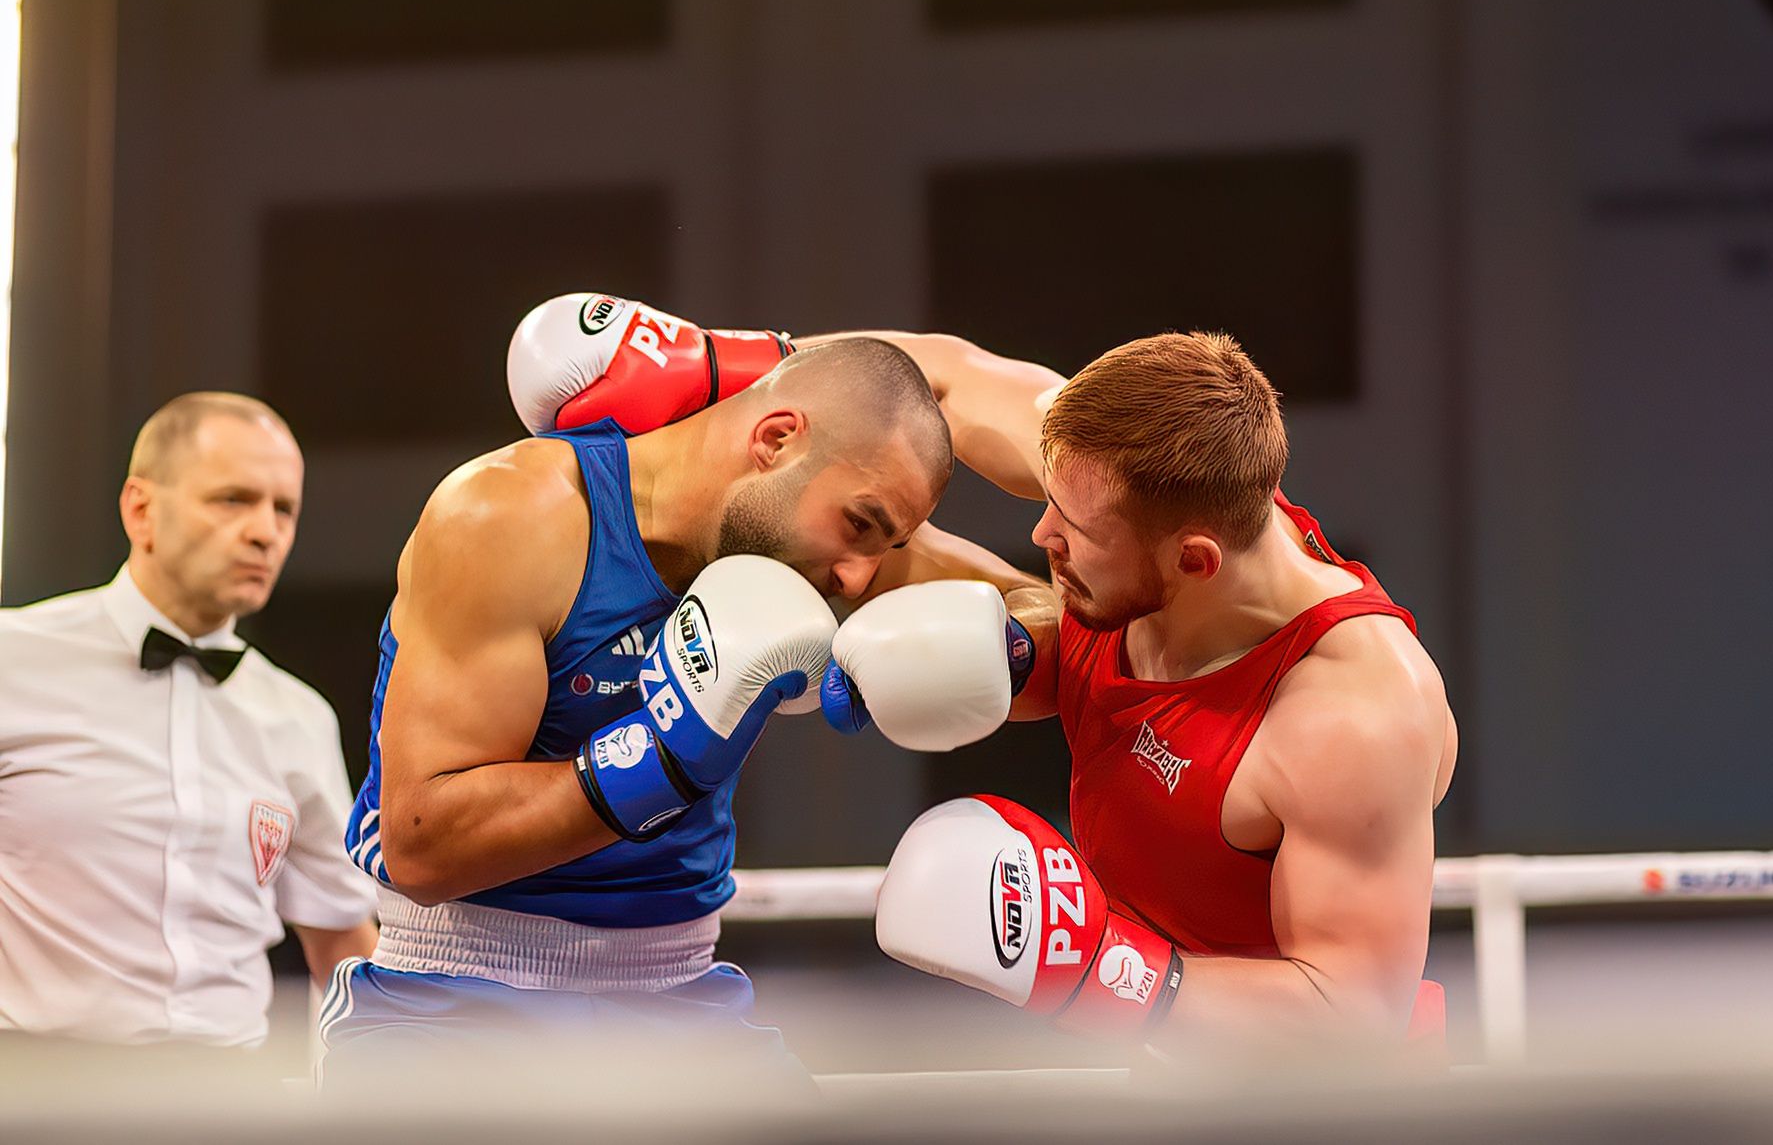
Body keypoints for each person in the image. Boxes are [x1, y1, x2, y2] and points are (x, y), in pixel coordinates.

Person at [506, 297, 1454, 1056]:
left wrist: (1097, 966)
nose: (1042, 533)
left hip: (1317, 1111)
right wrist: (725, 367)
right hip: (1169, 1076)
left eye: (1072, 534)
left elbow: (1350, 1021)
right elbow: (944, 383)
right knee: (876, 525)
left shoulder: (1356, 719)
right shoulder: (1141, 472)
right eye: (1051, 500)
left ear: (1195, 562)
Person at [320, 310, 1040, 1081]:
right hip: (456, 994)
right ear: (775, 439)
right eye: (862, 525)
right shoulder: (514, 516)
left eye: (887, 543)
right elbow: (422, 845)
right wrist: (660, 760)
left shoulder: (833, 537)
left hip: (680, 991)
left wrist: (1001, 651)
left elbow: (1064, 612)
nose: (859, 578)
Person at [0, 392, 379, 1050]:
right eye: (233, 498)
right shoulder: (14, 660)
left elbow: (343, 940)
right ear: (140, 509)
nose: (266, 530)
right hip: (36, 1088)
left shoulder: (296, 715)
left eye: (283, 507)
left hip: (224, 1098)